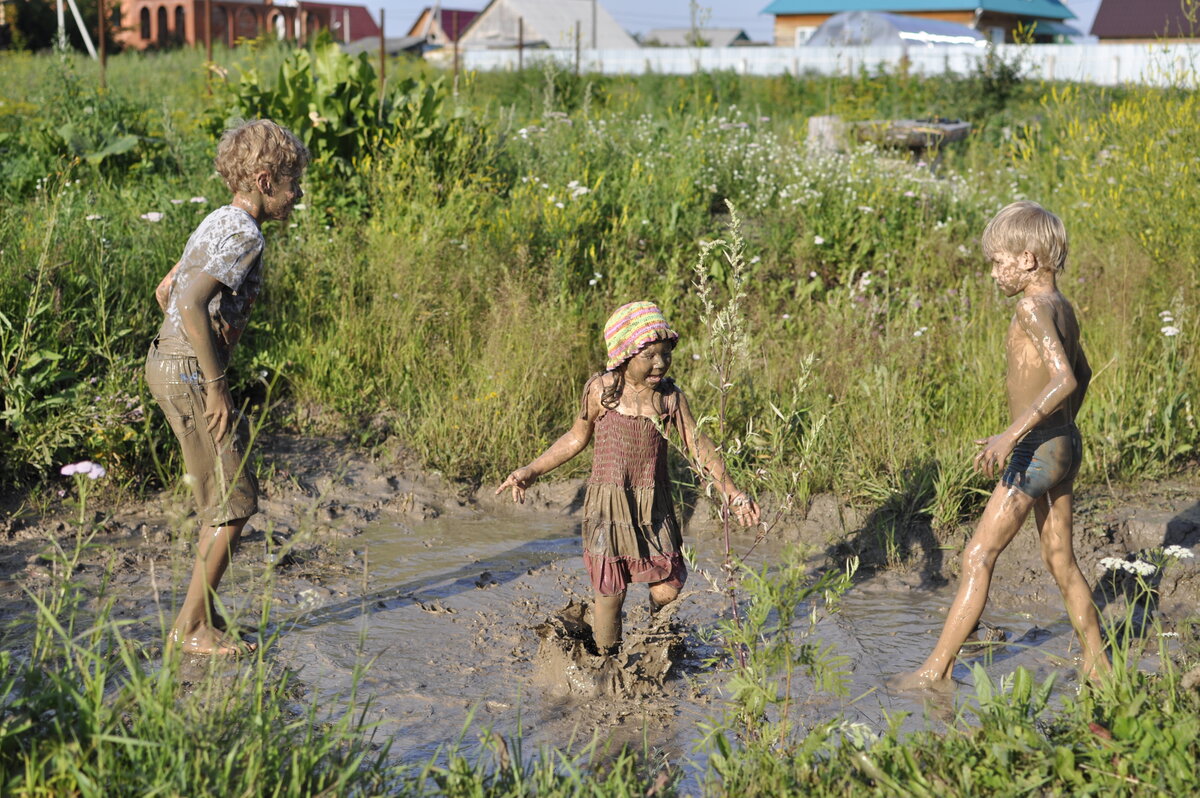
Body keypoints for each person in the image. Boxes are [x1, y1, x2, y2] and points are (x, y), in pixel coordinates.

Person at [891, 201, 1108, 690]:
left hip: (1036, 450)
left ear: (1027, 259)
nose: (993, 272)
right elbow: (1086, 374)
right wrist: (1063, 430)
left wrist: (1013, 435)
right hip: (1063, 444)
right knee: (1060, 560)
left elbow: (1066, 377)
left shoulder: (1031, 307)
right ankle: (1099, 664)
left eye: (997, 261)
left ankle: (935, 671)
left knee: (976, 556)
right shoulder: (1062, 306)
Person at [496, 301, 761, 654]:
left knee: (668, 585)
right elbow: (576, 437)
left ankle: (657, 641)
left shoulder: (669, 398)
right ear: (623, 355)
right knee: (611, 595)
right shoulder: (602, 391)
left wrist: (732, 492)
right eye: (649, 354)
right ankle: (608, 664)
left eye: (665, 353)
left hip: (653, 503)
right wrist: (530, 470)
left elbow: (698, 445)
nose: (660, 362)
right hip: (608, 504)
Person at [145, 119, 308, 656]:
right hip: (192, 374)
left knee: (218, 500)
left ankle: (205, 618)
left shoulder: (218, 220)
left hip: (169, 365)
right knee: (236, 503)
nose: (298, 193)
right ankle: (190, 630)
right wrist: (214, 385)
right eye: (292, 182)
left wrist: (181, 351)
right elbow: (188, 302)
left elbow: (167, 287)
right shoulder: (245, 234)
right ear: (264, 179)